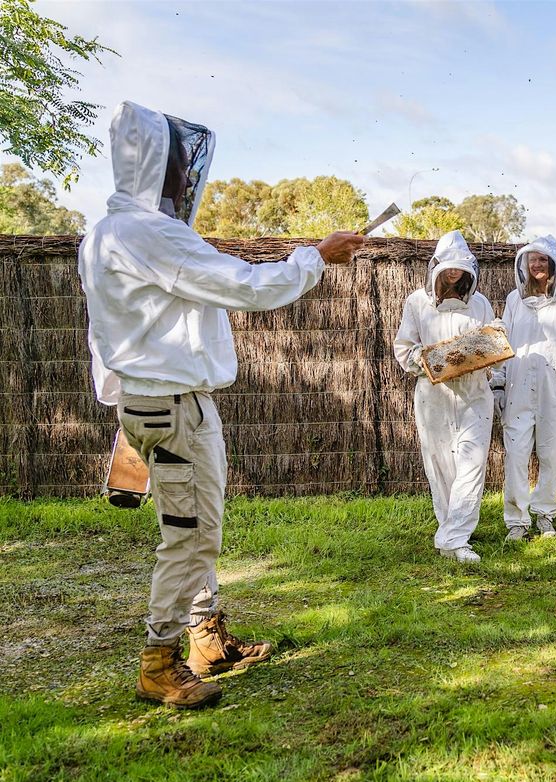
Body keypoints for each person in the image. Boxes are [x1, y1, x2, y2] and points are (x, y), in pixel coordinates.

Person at [78, 101, 364, 710]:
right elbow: (245, 285)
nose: (187, 177)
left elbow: (105, 332)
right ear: (154, 165)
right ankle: (159, 662)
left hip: (153, 404)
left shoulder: (104, 233)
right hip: (174, 408)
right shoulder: (149, 233)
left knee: (193, 523)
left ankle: (206, 638)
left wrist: (120, 406)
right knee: (192, 536)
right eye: (180, 165)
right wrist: (316, 256)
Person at [394, 230, 498, 564]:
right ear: (435, 269)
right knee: (440, 465)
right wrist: (427, 361)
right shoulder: (416, 303)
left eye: (459, 269)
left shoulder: (480, 303)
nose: (454, 275)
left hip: (474, 394)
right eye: (448, 269)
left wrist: (494, 342)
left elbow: (489, 344)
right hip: (433, 396)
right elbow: (403, 349)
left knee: (471, 465)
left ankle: (455, 538)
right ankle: (451, 530)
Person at [493, 235, 556, 540]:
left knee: (551, 455)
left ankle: (545, 513)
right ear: (524, 264)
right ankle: (517, 520)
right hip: (517, 388)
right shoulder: (514, 300)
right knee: (517, 454)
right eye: (531, 260)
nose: (537, 265)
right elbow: (503, 343)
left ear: (553, 265)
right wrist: (497, 382)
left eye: (543, 260)